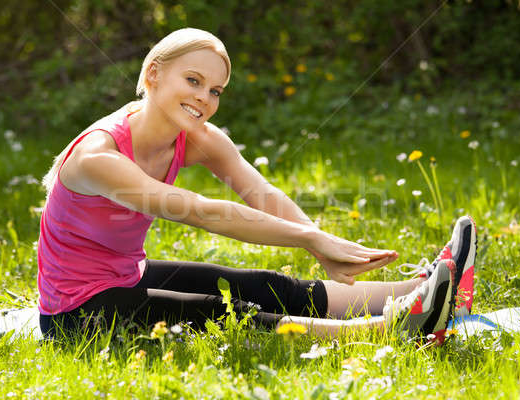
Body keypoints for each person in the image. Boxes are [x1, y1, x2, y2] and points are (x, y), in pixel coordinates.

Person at [36, 28, 477, 343]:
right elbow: (201, 211)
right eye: (193, 81)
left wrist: (320, 245)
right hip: (76, 314)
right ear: (153, 74)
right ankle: (392, 330)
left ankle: (433, 294)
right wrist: (310, 237)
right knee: (223, 313)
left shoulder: (196, 138)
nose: (204, 100)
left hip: (125, 277)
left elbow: (261, 194)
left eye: (215, 90)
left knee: (259, 284)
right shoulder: (98, 157)